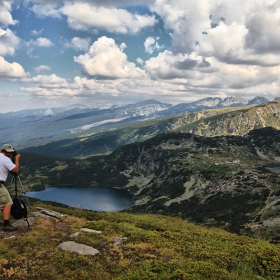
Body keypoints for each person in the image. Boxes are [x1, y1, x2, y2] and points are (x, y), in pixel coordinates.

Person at [0, 144, 20, 232]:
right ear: (6, 152)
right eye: (11, 152)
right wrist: (16, 159)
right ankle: (6, 224)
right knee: (8, 202)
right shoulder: (5, 159)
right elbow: (15, 170)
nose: (11, 154)